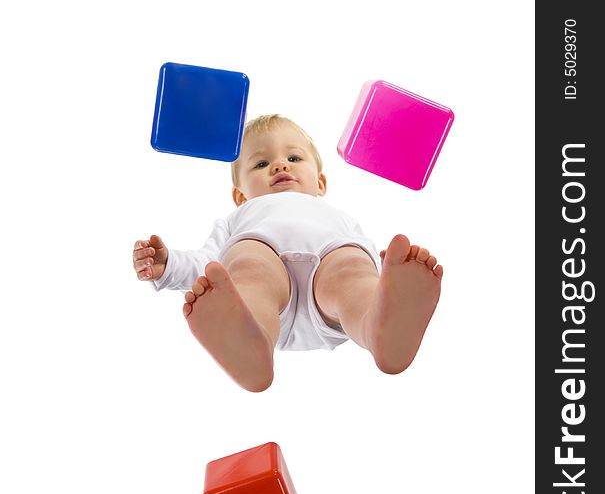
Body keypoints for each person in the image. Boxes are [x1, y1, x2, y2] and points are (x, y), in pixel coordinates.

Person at [132, 115, 442, 392]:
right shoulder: (238, 218)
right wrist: (169, 265)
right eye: (261, 164)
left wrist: (384, 274)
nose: (280, 165)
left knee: (352, 270)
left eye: (294, 157)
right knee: (248, 267)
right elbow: (207, 263)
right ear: (240, 196)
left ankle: (378, 326)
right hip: (269, 292)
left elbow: (366, 264)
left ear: (320, 183)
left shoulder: (338, 217)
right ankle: (249, 337)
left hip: (330, 287)